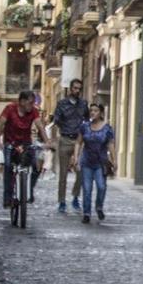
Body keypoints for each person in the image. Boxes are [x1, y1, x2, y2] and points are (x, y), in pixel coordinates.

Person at [0, 91, 52, 208]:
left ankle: (28, 190)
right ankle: (8, 198)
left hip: (25, 143)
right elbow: (1, 124)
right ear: (21, 101)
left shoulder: (33, 112)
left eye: (33, 103)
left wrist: (47, 142)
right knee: (9, 167)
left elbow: (40, 126)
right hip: (10, 143)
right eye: (30, 103)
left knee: (35, 167)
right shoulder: (10, 109)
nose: (32, 105)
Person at [73, 104, 115, 224]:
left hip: (101, 163)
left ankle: (99, 207)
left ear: (101, 113)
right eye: (91, 110)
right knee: (87, 188)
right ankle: (86, 213)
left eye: (95, 111)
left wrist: (114, 160)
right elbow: (78, 142)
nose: (92, 113)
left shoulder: (107, 128)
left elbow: (111, 144)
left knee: (101, 187)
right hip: (86, 161)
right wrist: (76, 157)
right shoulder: (85, 126)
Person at [53, 79, 89, 213]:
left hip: (79, 141)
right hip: (65, 139)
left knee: (81, 172)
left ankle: (75, 197)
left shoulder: (84, 104)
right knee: (63, 174)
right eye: (75, 88)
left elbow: (87, 120)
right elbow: (56, 120)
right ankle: (62, 201)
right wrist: (65, 128)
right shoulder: (61, 104)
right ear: (70, 89)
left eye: (79, 88)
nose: (77, 91)